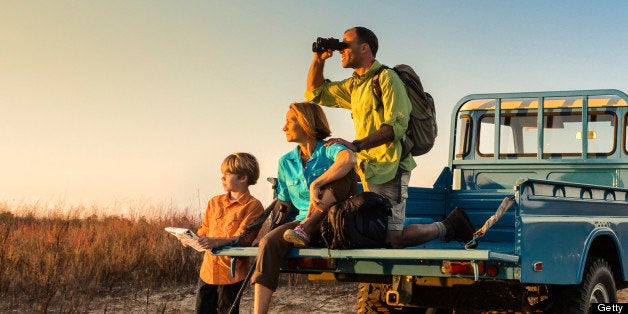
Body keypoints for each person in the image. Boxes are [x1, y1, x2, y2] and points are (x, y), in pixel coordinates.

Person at [305, 26, 475, 249]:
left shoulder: (386, 78)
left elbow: (396, 127)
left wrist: (356, 145)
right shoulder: (355, 85)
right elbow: (315, 93)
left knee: (392, 238)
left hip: (391, 168)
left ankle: (449, 226)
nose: (341, 51)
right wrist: (319, 59)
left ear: (364, 48)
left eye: (345, 45)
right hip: (368, 168)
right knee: (371, 229)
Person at [251, 102, 358, 314]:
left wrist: (315, 184)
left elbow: (349, 158)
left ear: (307, 123)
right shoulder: (285, 162)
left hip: (335, 222)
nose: (284, 127)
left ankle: (307, 227)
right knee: (268, 243)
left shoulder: (329, 149)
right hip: (298, 226)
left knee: (343, 173)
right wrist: (265, 233)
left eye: (289, 121)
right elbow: (283, 205)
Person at [190, 152, 264, 314]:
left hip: (232, 272)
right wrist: (193, 238)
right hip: (208, 269)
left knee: (227, 311)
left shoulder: (253, 206)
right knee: (202, 310)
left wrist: (216, 242)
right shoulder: (214, 202)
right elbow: (205, 228)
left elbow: (244, 238)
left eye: (226, 175)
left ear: (243, 178)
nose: (222, 178)